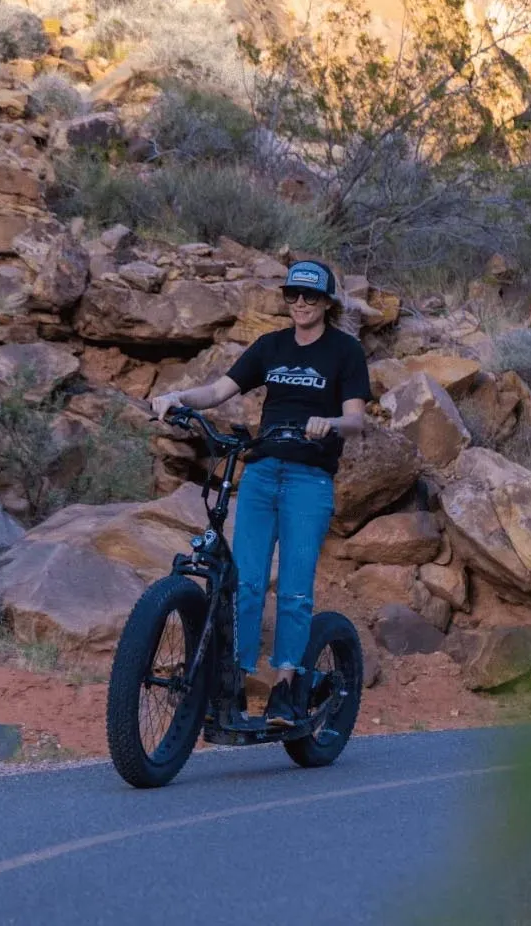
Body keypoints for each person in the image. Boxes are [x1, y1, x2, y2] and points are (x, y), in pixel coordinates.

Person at [150, 260, 372, 727]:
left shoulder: (345, 351)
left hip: (309, 479)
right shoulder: (271, 346)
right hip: (261, 472)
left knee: (293, 590)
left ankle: (286, 689)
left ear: (327, 302)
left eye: (310, 296)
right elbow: (218, 391)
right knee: (246, 583)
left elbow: (356, 420)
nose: (300, 304)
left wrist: (328, 423)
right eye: (293, 295)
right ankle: (231, 681)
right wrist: (177, 398)